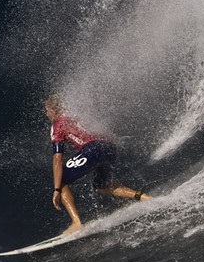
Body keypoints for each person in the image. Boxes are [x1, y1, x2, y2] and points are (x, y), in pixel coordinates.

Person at [44, 94, 149, 234]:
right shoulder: (75, 113)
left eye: (47, 111)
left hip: (92, 149)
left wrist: (56, 190)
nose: (46, 114)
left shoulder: (57, 126)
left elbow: (57, 159)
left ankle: (76, 223)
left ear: (53, 110)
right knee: (102, 186)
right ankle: (143, 197)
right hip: (109, 147)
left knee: (61, 180)